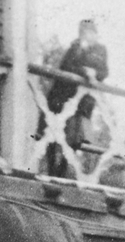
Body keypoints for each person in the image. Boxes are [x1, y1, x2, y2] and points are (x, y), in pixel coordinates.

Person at [42, 19, 109, 177]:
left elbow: (104, 72)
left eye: (91, 32)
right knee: (53, 132)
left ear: (96, 34)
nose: (88, 35)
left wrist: (95, 74)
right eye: (84, 32)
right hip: (61, 96)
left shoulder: (100, 50)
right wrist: (85, 71)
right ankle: (52, 169)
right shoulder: (74, 48)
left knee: (74, 137)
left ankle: (62, 170)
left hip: (82, 101)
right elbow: (66, 67)